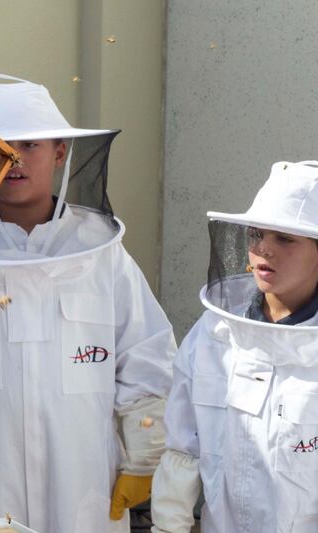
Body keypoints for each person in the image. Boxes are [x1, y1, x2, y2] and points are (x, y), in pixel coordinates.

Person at [0, 74, 176, 532]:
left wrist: (144, 455)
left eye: (30, 144)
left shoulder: (100, 253)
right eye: (0, 145)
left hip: (83, 481)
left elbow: (145, 352)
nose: (13, 158)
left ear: (59, 153)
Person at [151, 161, 318, 533]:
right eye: (258, 234)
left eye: (285, 238)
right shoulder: (214, 333)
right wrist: (168, 526)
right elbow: (183, 445)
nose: (263, 249)